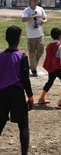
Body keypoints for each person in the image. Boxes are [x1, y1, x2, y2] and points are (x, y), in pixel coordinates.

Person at [0, 26, 34, 155]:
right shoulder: (21, 56)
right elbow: (25, 79)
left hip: (2, 93)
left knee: (0, 122)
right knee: (23, 125)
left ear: (6, 39)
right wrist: (30, 96)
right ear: (18, 40)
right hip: (17, 93)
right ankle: (24, 153)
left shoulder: (0, 56)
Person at [38, 27, 61, 107]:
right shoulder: (60, 45)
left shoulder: (49, 45)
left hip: (51, 68)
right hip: (58, 68)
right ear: (59, 36)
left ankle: (41, 98)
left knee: (49, 82)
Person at [22, 0, 47, 77]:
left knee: (40, 51)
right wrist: (33, 17)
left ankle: (33, 65)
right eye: (34, 1)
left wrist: (44, 21)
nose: (36, 2)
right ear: (30, 1)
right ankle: (33, 70)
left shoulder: (40, 9)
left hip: (40, 34)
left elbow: (45, 18)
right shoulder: (27, 10)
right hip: (31, 35)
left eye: (37, 1)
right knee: (32, 52)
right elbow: (23, 19)